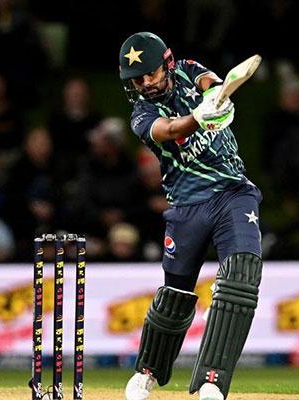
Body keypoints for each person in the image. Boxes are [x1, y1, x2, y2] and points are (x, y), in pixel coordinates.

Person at [118, 32, 263, 400]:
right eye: (137, 79)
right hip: (186, 206)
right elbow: (171, 130)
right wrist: (200, 116)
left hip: (232, 191)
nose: (145, 84)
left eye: (150, 74)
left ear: (166, 64)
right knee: (175, 294)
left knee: (242, 275)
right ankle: (147, 372)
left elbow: (209, 80)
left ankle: (212, 380)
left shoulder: (185, 70)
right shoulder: (142, 115)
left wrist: (218, 96)